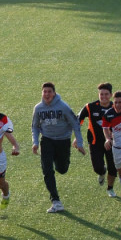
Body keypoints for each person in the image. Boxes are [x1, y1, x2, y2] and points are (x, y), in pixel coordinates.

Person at [31, 83, 85, 213]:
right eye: (44, 92)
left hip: (63, 141)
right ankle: (55, 201)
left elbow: (75, 123)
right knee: (47, 170)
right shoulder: (38, 108)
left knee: (62, 169)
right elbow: (35, 126)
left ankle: (60, 162)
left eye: (49, 92)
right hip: (47, 141)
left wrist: (80, 143)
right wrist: (35, 142)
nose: (47, 94)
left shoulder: (63, 107)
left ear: (54, 93)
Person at [78, 83, 119, 198]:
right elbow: (78, 120)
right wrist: (77, 137)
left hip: (112, 143)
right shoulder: (90, 107)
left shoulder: (116, 108)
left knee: (113, 167)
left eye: (106, 94)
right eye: (101, 94)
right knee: (97, 167)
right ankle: (101, 172)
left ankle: (110, 189)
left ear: (111, 95)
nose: (103, 96)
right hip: (95, 142)